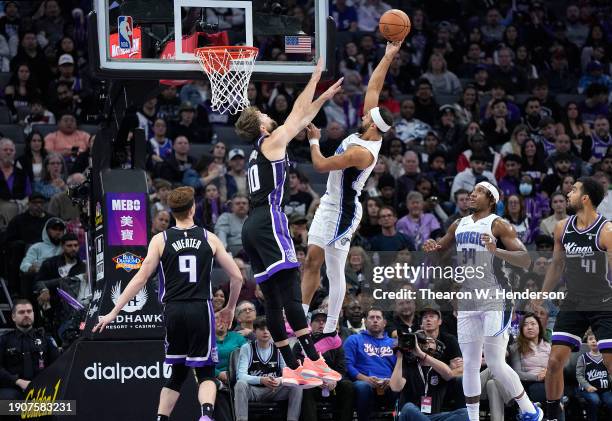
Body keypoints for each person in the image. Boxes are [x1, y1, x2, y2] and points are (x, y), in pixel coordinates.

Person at [235, 57, 343, 387]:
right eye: (266, 115)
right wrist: (315, 77)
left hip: (252, 227)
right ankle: (313, 359)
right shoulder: (271, 142)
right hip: (268, 221)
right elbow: (297, 114)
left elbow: (301, 118)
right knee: (290, 295)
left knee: (273, 299)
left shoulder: (258, 150)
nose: (271, 116)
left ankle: (293, 364)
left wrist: (323, 99)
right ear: (263, 125)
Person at [93, 186, 243, 421]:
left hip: (173, 309)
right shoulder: (208, 237)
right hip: (200, 309)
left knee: (177, 372)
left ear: (172, 212)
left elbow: (141, 278)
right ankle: (206, 415)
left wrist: (113, 311)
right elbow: (237, 277)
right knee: (205, 372)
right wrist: (230, 307)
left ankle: (162, 418)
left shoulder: (160, 240)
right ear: (193, 208)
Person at [300, 41, 400, 353]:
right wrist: (388, 55)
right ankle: (303, 319)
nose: (364, 114)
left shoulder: (361, 153)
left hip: (343, 210)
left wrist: (314, 141)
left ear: (372, 125)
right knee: (314, 263)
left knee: (328, 266)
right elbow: (375, 85)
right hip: (330, 203)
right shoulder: (372, 130)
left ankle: (329, 329)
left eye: (367, 116)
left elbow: (319, 165)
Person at [423, 182, 542, 421]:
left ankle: (530, 411)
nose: (471, 194)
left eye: (478, 192)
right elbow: (440, 255)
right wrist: (431, 249)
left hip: (496, 296)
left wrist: (496, 251)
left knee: (496, 363)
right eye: (471, 191)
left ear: (491, 200)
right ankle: (473, 418)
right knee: (469, 364)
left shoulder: (499, 224)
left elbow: (525, 259)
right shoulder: (458, 224)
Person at [536, 177, 612, 421]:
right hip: (574, 302)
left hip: (603, 302)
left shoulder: (606, 231)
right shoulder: (561, 227)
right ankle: (551, 413)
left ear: (586, 198)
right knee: (555, 361)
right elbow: (557, 266)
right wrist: (542, 294)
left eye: (575, 190)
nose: (569, 192)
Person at [234, 316, 303, 421]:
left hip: (274, 390)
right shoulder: (247, 348)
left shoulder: (279, 347)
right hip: (254, 390)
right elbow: (241, 376)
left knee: (296, 385)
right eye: (262, 329)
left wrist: (278, 380)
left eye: (268, 329)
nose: (265, 332)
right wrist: (261, 380)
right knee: (240, 384)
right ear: (254, 331)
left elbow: (287, 373)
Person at [389, 331, 468, 420]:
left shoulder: (439, 367)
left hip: (433, 417)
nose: (427, 342)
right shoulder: (408, 366)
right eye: (423, 341)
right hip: (410, 416)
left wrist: (421, 354)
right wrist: (400, 357)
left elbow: (448, 374)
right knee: (409, 408)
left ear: (438, 347)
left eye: (431, 341)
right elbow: (395, 387)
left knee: (465, 413)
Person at [295, 309, 354, 421]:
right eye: (317, 320)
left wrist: (334, 380)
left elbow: (341, 368)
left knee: (348, 386)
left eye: (324, 321)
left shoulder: (336, 343)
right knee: (305, 389)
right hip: (312, 384)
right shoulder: (301, 344)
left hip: (332, 384)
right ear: (310, 324)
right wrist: (315, 380)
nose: (321, 323)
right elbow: (298, 367)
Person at [344, 306, 397, 421]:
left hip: (389, 383)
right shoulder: (354, 340)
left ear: (384, 323)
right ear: (365, 322)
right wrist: (365, 379)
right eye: (371, 317)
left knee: (401, 386)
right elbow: (347, 365)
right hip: (363, 382)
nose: (375, 320)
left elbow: (400, 368)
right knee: (363, 387)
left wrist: (392, 380)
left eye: (378, 317)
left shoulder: (394, 344)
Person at [0, 299, 60, 401]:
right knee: (6, 401)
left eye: (29, 311)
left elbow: (57, 365)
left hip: (41, 386)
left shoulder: (46, 339)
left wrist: (43, 383)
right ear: (13, 317)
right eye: (21, 312)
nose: (26, 314)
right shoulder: (4, 340)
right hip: (13, 387)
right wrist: (17, 381)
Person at [576, 332, 612, 421]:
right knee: (594, 400)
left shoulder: (607, 357)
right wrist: (587, 386)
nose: (593, 341)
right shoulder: (583, 357)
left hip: (605, 389)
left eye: (596, 339)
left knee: (611, 402)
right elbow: (579, 375)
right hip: (588, 389)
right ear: (587, 343)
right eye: (591, 339)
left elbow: (610, 373)